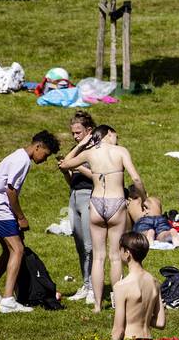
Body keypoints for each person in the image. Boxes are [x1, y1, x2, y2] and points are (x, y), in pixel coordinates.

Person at [57, 125, 145, 312]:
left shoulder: (89, 153)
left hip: (96, 203)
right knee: (114, 257)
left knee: (98, 257)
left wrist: (81, 145)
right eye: (115, 135)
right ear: (108, 134)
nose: (116, 139)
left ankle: (97, 305)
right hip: (116, 203)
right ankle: (116, 302)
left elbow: (65, 164)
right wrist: (143, 198)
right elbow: (136, 179)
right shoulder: (121, 151)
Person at [0, 130, 60, 314]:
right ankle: (8, 300)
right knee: (18, 249)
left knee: (9, 251)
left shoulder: (19, 156)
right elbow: (11, 191)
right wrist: (21, 217)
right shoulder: (22, 161)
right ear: (38, 147)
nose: (45, 159)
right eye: (45, 155)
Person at [61, 110, 96, 304]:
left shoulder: (95, 151)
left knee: (90, 245)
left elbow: (98, 177)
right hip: (74, 196)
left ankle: (93, 286)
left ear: (88, 131)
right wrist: (67, 171)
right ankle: (85, 283)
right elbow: (67, 168)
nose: (75, 136)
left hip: (89, 196)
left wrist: (77, 165)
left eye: (78, 133)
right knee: (79, 243)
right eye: (73, 133)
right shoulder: (78, 150)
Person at [110, 232, 165, 340]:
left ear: (127, 253)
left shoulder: (121, 286)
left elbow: (118, 329)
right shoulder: (154, 282)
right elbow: (160, 323)